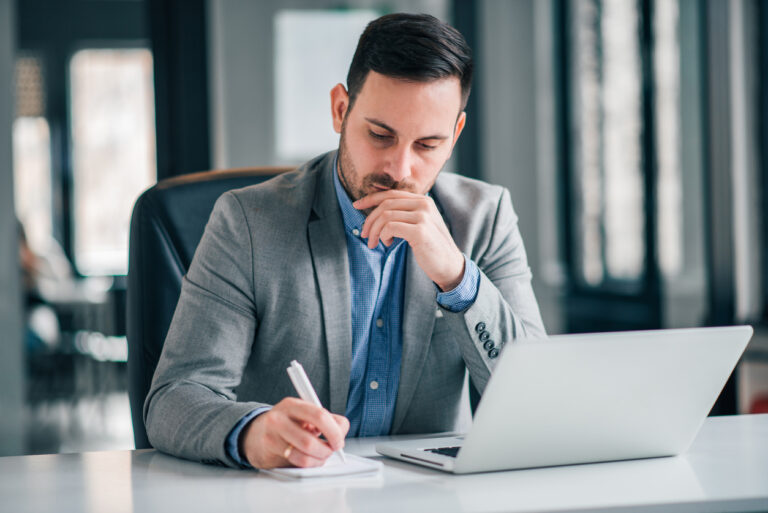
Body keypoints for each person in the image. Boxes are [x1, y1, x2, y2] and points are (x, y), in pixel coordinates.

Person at [145, 12, 546, 470]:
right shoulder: (248, 222)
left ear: (454, 135)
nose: (399, 169)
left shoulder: (485, 218)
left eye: (427, 145)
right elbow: (173, 399)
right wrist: (253, 431)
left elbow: (536, 401)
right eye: (380, 135)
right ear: (341, 110)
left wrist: (457, 278)